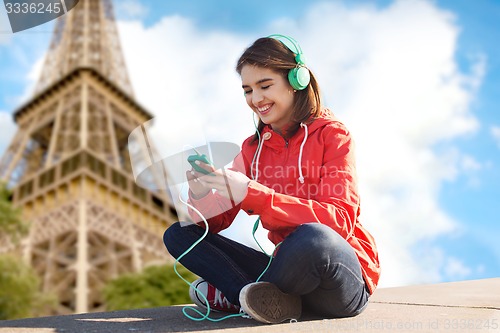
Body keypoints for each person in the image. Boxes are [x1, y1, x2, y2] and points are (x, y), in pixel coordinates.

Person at [163, 34, 381, 324]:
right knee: (179, 233)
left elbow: (339, 220)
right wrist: (202, 194)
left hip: (337, 277)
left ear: (296, 81)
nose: (256, 99)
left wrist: (252, 193)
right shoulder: (252, 149)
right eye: (247, 90)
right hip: (286, 275)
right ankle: (254, 297)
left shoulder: (333, 134)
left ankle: (237, 295)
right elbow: (211, 226)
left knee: (314, 238)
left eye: (265, 86)